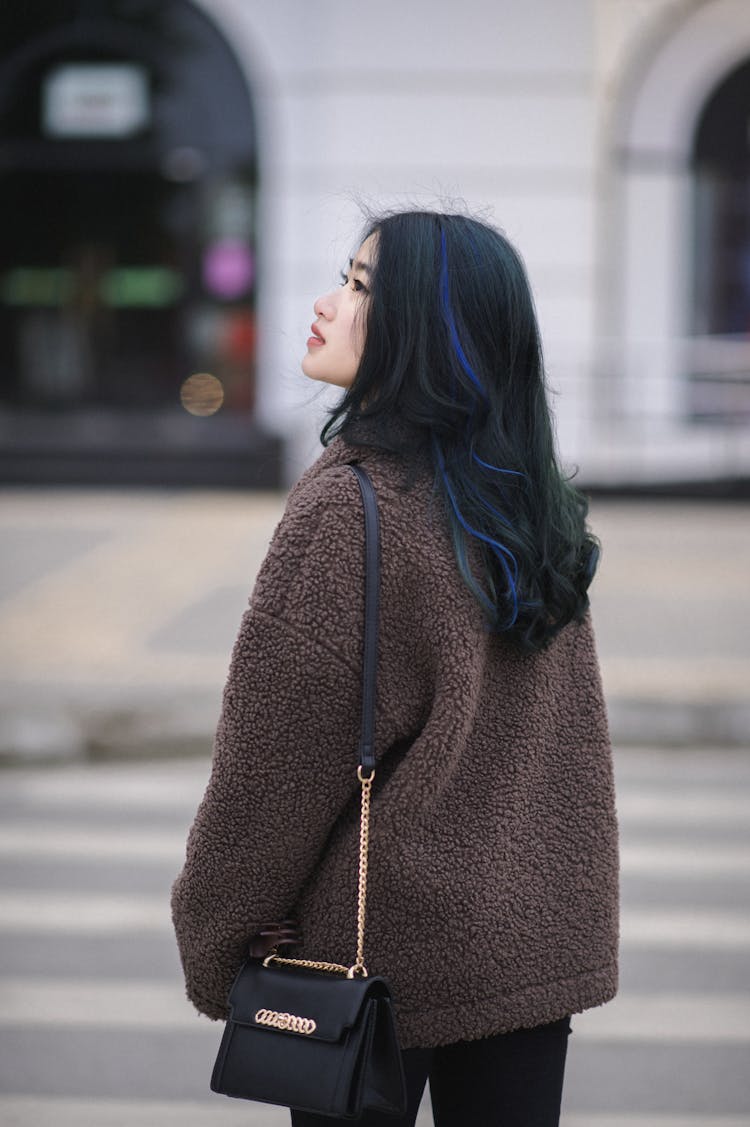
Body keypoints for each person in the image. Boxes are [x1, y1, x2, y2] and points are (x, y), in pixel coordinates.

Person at [171, 210, 619, 1127]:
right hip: (525, 948)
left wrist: (214, 932)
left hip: (373, 955)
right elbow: (563, 752)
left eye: (363, 286)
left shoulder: (353, 504)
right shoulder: (529, 503)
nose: (328, 303)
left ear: (428, 326)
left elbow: (273, 767)